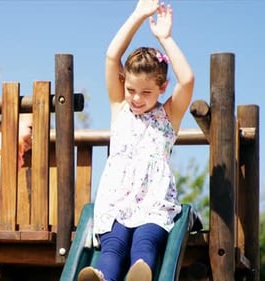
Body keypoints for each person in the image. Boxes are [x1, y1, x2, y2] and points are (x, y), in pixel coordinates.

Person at [78, 1, 194, 281]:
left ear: (162, 88)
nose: (137, 98)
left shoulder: (168, 116)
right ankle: (102, 278)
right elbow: (111, 56)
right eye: (131, 89)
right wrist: (139, 14)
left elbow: (187, 79)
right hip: (117, 200)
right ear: (124, 84)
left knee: (145, 242)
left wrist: (164, 38)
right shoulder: (119, 108)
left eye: (146, 92)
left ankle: (139, 275)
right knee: (113, 247)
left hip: (153, 201)